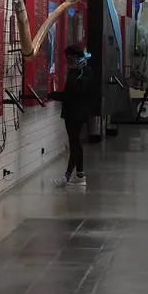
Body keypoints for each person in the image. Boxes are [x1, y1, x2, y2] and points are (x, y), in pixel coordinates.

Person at [47, 43, 93, 187]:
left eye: (68, 59)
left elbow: (73, 93)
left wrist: (53, 95)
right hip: (74, 112)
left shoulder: (81, 72)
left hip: (75, 113)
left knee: (74, 144)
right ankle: (80, 174)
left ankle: (67, 176)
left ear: (73, 58)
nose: (67, 62)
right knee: (76, 143)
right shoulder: (83, 71)